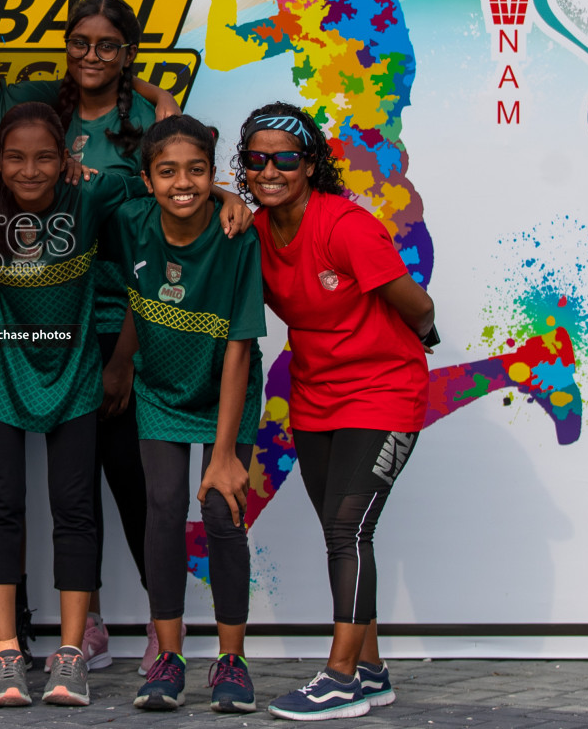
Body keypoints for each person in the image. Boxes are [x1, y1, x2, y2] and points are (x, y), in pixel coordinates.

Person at [236, 103, 435, 721]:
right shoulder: (257, 229)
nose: (271, 170)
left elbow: (417, 304)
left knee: (350, 529)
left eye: (286, 158)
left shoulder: (345, 226)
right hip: (316, 395)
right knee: (337, 531)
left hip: (384, 392)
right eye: (257, 159)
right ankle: (371, 669)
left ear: (312, 162)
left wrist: (424, 332)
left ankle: (342, 675)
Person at [0, 102, 146, 709]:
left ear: (68, 156)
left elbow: (166, 196)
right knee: (1, 509)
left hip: (72, 371)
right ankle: (6, 653)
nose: (30, 170)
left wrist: (226, 196)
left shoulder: (92, 199)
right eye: (14, 157)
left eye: (45, 156)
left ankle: (70, 655)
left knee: (74, 509)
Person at [101, 115, 265, 712]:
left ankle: (231, 662)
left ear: (214, 175)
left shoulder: (236, 237)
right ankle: (167, 659)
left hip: (225, 388)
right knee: (163, 510)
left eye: (198, 171)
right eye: (167, 172)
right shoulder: (129, 221)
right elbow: (130, 296)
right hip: (160, 390)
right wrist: (122, 361)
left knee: (221, 514)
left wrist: (223, 457)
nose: (183, 183)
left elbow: (241, 349)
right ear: (147, 180)